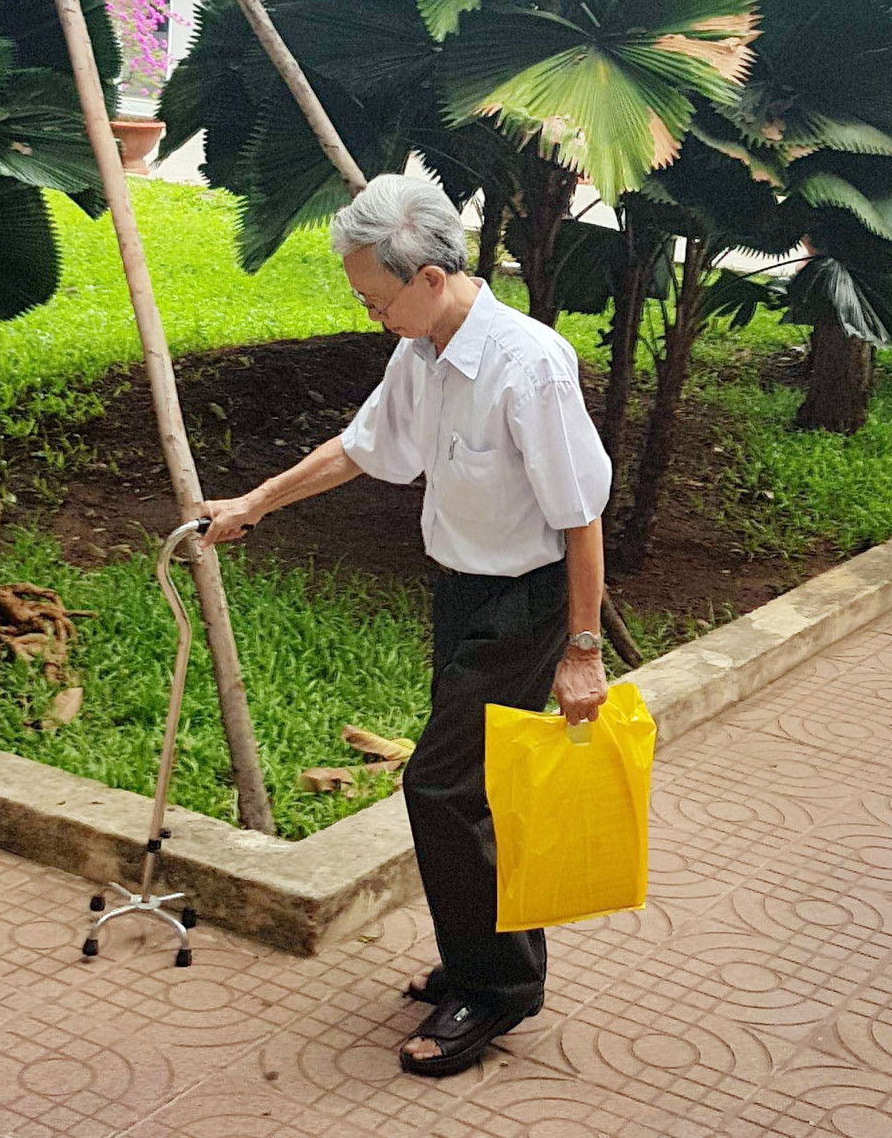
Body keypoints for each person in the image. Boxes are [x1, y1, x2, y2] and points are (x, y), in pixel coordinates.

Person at [201, 174, 612, 1077]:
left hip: (526, 599)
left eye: (375, 298)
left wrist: (583, 650)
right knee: (474, 790)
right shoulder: (421, 351)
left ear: (429, 275)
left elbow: (581, 516)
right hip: (460, 591)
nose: (369, 313)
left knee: (440, 785)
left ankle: (496, 991)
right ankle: (483, 959)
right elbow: (360, 447)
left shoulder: (528, 363)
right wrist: (257, 503)